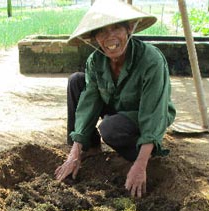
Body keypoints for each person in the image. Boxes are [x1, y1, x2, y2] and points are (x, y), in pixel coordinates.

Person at [54, 0, 176, 198]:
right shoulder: (95, 61)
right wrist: (75, 151)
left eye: (116, 28)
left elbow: (154, 112)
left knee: (110, 128)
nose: (110, 37)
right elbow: (88, 103)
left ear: (128, 29)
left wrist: (141, 164)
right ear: (95, 38)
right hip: (116, 107)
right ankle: (90, 148)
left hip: (143, 114)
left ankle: (142, 153)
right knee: (76, 81)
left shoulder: (150, 60)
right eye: (102, 32)